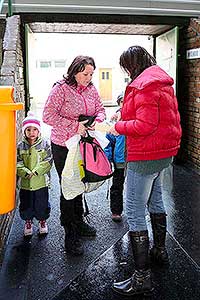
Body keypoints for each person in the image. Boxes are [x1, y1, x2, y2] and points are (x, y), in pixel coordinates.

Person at [109, 46, 182, 296]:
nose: (126, 71)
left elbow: (144, 124)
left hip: (146, 155)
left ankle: (142, 277)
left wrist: (118, 126)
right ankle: (159, 251)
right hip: (163, 152)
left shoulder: (144, 85)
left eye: (126, 66)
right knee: (156, 199)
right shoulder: (160, 81)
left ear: (133, 64)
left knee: (134, 211)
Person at [42, 55, 106, 256]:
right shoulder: (60, 88)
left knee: (80, 183)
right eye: (85, 73)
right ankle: (70, 233)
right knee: (69, 186)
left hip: (83, 144)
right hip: (63, 145)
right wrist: (74, 126)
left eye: (91, 74)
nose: (89, 77)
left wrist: (98, 120)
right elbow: (47, 115)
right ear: (75, 71)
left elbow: (101, 110)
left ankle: (79, 222)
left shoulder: (91, 89)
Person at [17, 112, 53, 237]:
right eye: (28, 129)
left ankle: (42, 221)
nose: (31, 132)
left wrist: (37, 170)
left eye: (34, 129)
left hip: (41, 182)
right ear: (24, 131)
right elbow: (17, 162)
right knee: (26, 203)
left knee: (41, 203)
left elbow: (48, 160)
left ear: (38, 131)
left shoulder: (45, 144)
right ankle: (28, 222)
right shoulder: (20, 146)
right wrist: (25, 172)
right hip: (26, 183)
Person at [104, 93, 126, 222]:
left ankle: (134, 210)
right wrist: (108, 160)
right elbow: (108, 143)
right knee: (117, 186)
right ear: (119, 103)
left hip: (134, 161)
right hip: (119, 162)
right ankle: (116, 210)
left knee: (135, 188)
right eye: (122, 102)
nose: (124, 105)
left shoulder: (136, 120)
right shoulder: (114, 123)